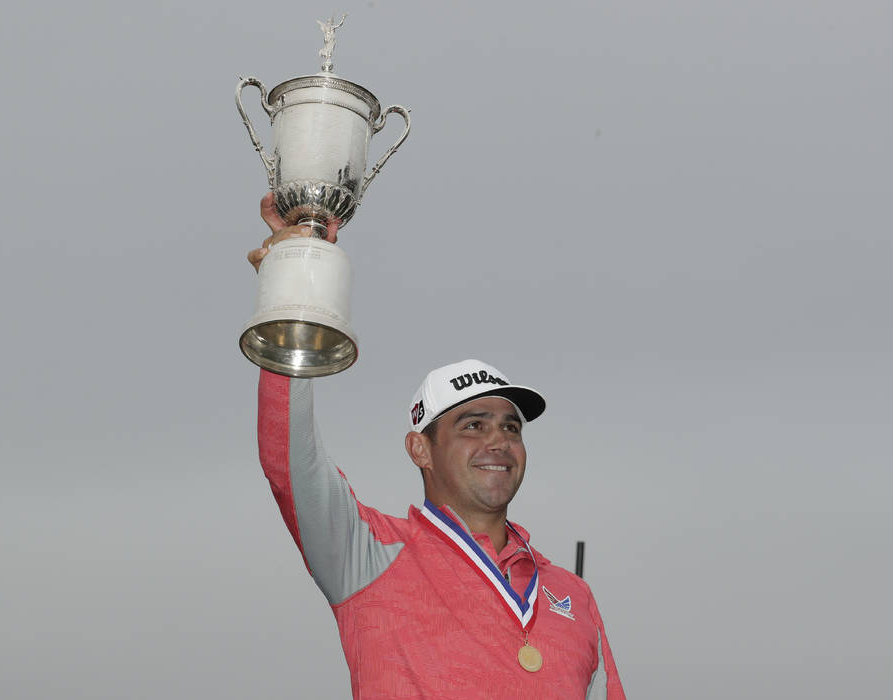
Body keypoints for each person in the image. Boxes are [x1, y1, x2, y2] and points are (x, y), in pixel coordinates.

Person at [248, 193, 626, 699]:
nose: (499, 441)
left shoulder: (571, 594)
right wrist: (292, 289)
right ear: (419, 449)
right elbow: (289, 462)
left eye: (511, 427)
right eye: (473, 425)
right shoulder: (367, 553)